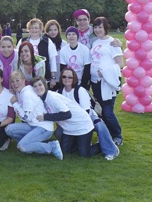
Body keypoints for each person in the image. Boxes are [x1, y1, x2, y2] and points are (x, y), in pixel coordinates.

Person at [58, 68, 120, 160]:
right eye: (64, 77)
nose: (67, 79)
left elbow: (85, 112)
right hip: (69, 120)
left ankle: (108, 148)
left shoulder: (80, 90)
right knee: (62, 141)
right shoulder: (59, 92)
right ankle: (78, 142)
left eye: (70, 77)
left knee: (99, 126)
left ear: (74, 78)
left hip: (87, 118)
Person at [32, 76, 100, 158]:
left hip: (82, 125)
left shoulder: (52, 98)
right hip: (69, 128)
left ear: (45, 85)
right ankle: (79, 143)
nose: (38, 88)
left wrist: (45, 117)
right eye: (35, 86)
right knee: (65, 151)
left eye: (40, 85)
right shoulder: (41, 100)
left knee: (85, 154)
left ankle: (101, 144)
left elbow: (67, 114)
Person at [6, 71, 63, 160]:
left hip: (44, 128)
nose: (15, 84)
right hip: (33, 125)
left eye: (17, 80)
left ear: (23, 80)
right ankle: (31, 143)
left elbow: (26, 117)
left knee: (22, 147)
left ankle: (51, 147)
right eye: (12, 82)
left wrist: (15, 104)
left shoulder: (27, 94)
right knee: (9, 129)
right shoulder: (21, 91)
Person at [90, 17, 124, 146]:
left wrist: (105, 71)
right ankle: (106, 134)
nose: (98, 30)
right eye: (96, 27)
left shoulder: (112, 43)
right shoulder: (95, 42)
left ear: (105, 28)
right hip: (96, 82)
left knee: (108, 112)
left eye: (100, 27)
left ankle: (117, 135)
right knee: (101, 111)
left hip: (107, 83)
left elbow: (120, 63)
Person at [17, 18, 58, 88]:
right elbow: (17, 58)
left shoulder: (47, 41)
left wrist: (53, 77)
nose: (34, 30)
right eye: (32, 28)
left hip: (43, 78)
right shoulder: (22, 41)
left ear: (40, 29)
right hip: (25, 78)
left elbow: (52, 60)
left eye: (36, 28)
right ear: (28, 29)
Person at [44, 20, 67, 89]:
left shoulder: (63, 43)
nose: (53, 32)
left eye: (55, 30)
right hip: (48, 75)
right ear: (47, 31)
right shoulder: (44, 43)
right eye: (50, 30)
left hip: (60, 74)